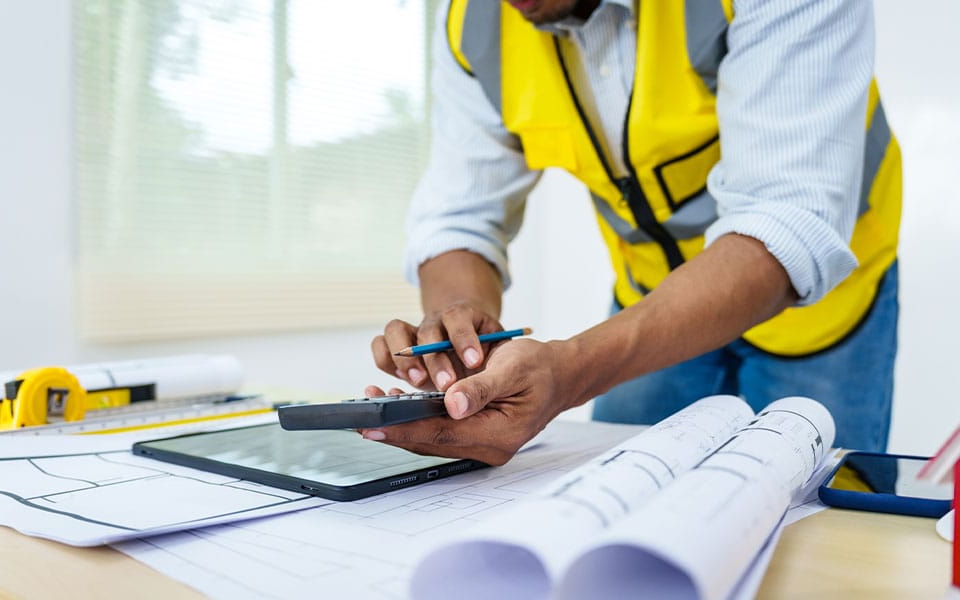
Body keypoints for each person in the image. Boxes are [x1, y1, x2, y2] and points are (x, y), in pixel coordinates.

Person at [366, 0, 902, 465]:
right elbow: (459, 217)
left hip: (823, 307)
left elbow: (787, 221)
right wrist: (460, 325)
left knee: (813, 529)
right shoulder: (469, 26)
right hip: (653, 301)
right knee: (619, 496)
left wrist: (572, 370)